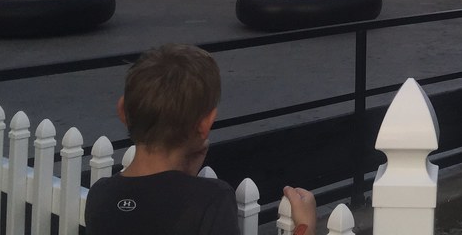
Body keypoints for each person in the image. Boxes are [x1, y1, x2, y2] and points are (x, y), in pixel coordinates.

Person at [85, 44, 317, 235]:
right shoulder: (210, 200)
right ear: (205, 124)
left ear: (122, 110)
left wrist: (183, 176)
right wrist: (304, 228)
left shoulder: (100, 195)